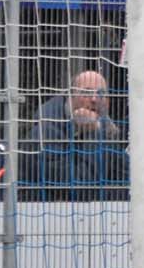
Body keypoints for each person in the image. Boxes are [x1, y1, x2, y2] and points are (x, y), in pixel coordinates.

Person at [22, 70, 127, 198]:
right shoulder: (45, 130)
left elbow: (124, 177)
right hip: (40, 206)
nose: (94, 99)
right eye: (86, 93)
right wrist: (92, 133)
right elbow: (80, 190)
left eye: (101, 93)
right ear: (71, 96)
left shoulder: (107, 125)